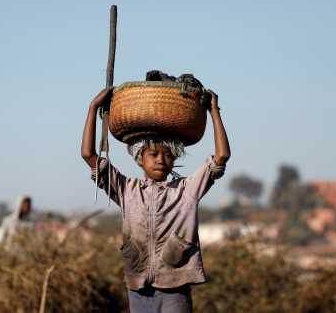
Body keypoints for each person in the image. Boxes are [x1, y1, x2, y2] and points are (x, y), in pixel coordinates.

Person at [81, 82, 230, 313]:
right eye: (153, 154)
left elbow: (221, 156)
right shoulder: (126, 189)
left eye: (168, 155)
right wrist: (92, 108)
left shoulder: (187, 190)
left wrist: (214, 112)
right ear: (140, 158)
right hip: (138, 288)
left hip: (175, 287)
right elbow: (88, 154)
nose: (161, 160)